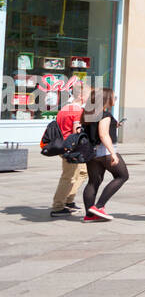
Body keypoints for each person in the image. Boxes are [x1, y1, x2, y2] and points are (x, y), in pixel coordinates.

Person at [81, 87, 128, 222]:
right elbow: (103, 134)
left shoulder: (88, 113)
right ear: (107, 99)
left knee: (93, 182)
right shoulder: (105, 114)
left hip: (91, 153)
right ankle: (99, 206)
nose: (115, 99)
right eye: (113, 96)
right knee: (122, 176)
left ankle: (89, 215)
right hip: (105, 151)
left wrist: (114, 125)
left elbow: (95, 130)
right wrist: (113, 153)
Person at [50, 82, 87, 217]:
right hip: (71, 148)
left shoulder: (64, 108)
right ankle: (58, 206)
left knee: (82, 172)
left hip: (64, 146)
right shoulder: (77, 111)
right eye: (87, 94)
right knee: (69, 177)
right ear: (81, 95)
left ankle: (69, 200)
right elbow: (76, 131)